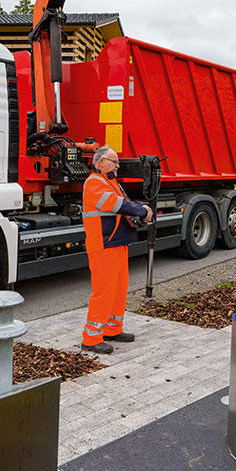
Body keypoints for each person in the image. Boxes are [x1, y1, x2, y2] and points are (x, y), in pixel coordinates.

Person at [80, 145, 153, 354]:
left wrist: (142, 207)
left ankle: (112, 329)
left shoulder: (111, 183)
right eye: (115, 161)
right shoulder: (94, 182)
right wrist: (142, 211)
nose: (118, 166)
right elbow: (115, 204)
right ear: (100, 162)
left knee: (119, 289)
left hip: (116, 243)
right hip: (103, 245)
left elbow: (126, 202)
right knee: (103, 292)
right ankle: (91, 339)